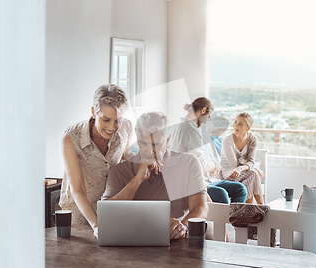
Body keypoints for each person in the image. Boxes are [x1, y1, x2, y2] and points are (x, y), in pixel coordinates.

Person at [101, 112, 208, 239]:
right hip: (131, 241)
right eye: (144, 143)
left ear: (168, 139)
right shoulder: (120, 171)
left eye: (156, 145)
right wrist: (137, 180)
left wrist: (183, 226)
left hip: (176, 240)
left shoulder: (189, 163)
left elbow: (200, 207)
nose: (150, 151)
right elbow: (106, 215)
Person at [59, 84, 135, 238]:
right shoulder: (71, 138)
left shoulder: (126, 128)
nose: (112, 127)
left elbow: (127, 160)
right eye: (106, 119)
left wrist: (147, 161)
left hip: (109, 210)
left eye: (117, 120)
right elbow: (78, 189)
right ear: (94, 112)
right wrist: (96, 225)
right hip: (78, 216)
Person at [170, 97, 247, 204]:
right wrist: (214, 165)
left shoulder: (180, 127)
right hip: (189, 182)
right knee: (222, 194)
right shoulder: (190, 130)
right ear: (203, 110)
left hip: (199, 179)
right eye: (208, 116)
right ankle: (223, 220)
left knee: (240, 189)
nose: (207, 120)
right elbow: (201, 165)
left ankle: (232, 219)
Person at [220, 112, 264, 204]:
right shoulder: (227, 140)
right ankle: (260, 206)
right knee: (253, 174)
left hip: (241, 172)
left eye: (240, 124)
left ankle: (248, 207)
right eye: (235, 122)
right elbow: (234, 165)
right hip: (229, 173)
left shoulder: (252, 139)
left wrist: (243, 167)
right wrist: (249, 167)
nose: (236, 125)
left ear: (248, 128)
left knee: (252, 176)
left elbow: (251, 161)